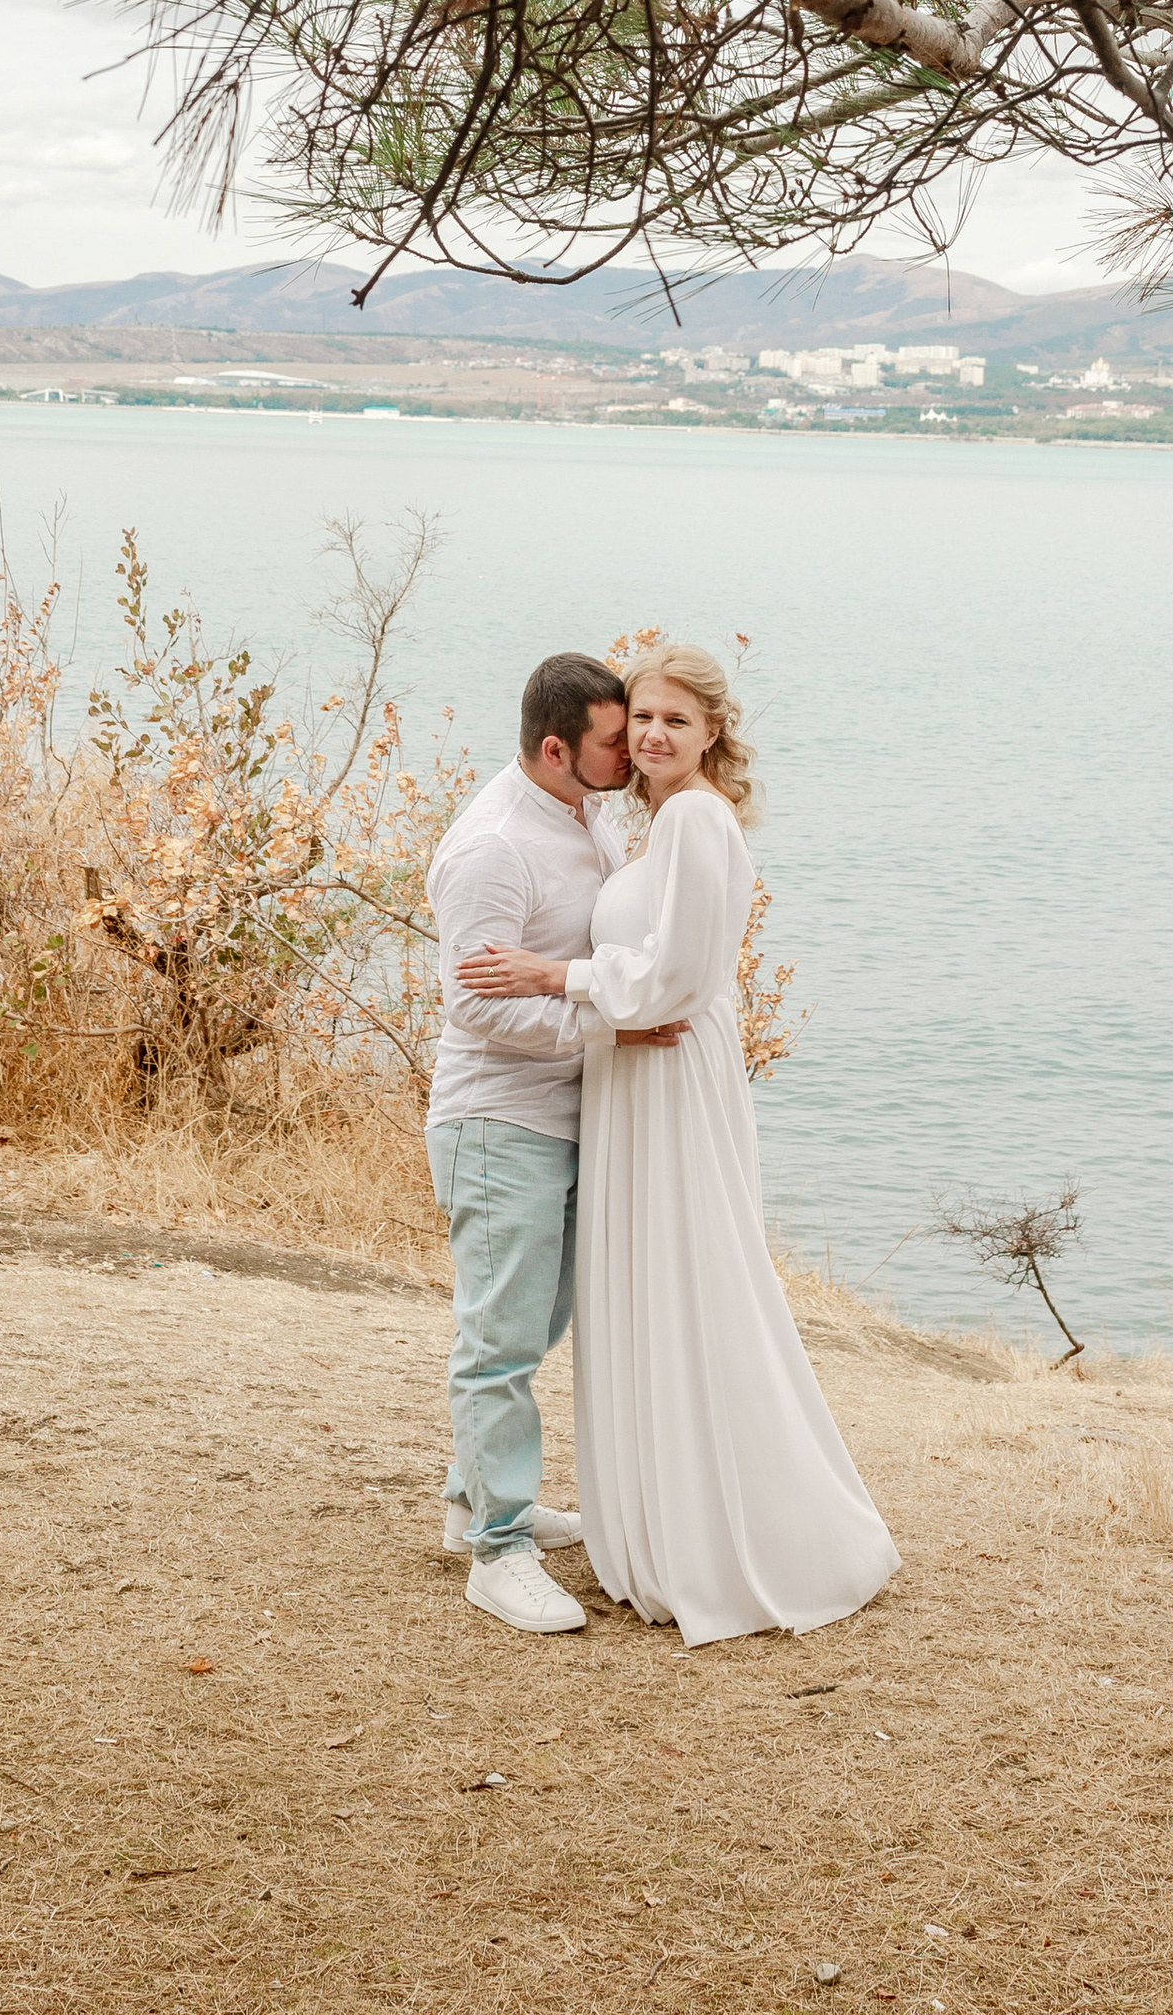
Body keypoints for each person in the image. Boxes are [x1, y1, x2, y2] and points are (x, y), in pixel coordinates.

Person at [459, 642, 900, 1647]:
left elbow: (680, 981)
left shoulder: (697, 818)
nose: (652, 736)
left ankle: (742, 1537)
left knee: (693, 1287)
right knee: (644, 1293)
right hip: (629, 1076)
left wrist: (554, 979)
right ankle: (656, 1520)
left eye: (672, 722)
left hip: (665, 1076)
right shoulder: (652, 827)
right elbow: (647, 970)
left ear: (711, 736)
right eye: (640, 721)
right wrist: (584, 992)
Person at [423, 649, 685, 1637]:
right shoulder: (495, 848)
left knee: (537, 1325)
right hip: (499, 1123)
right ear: (553, 748)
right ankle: (497, 1553)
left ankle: (473, 1497)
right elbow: (473, 1009)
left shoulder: (585, 811)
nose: (635, 755)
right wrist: (608, 1023)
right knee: (498, 1344)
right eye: (617, 743)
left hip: (569, 1116)